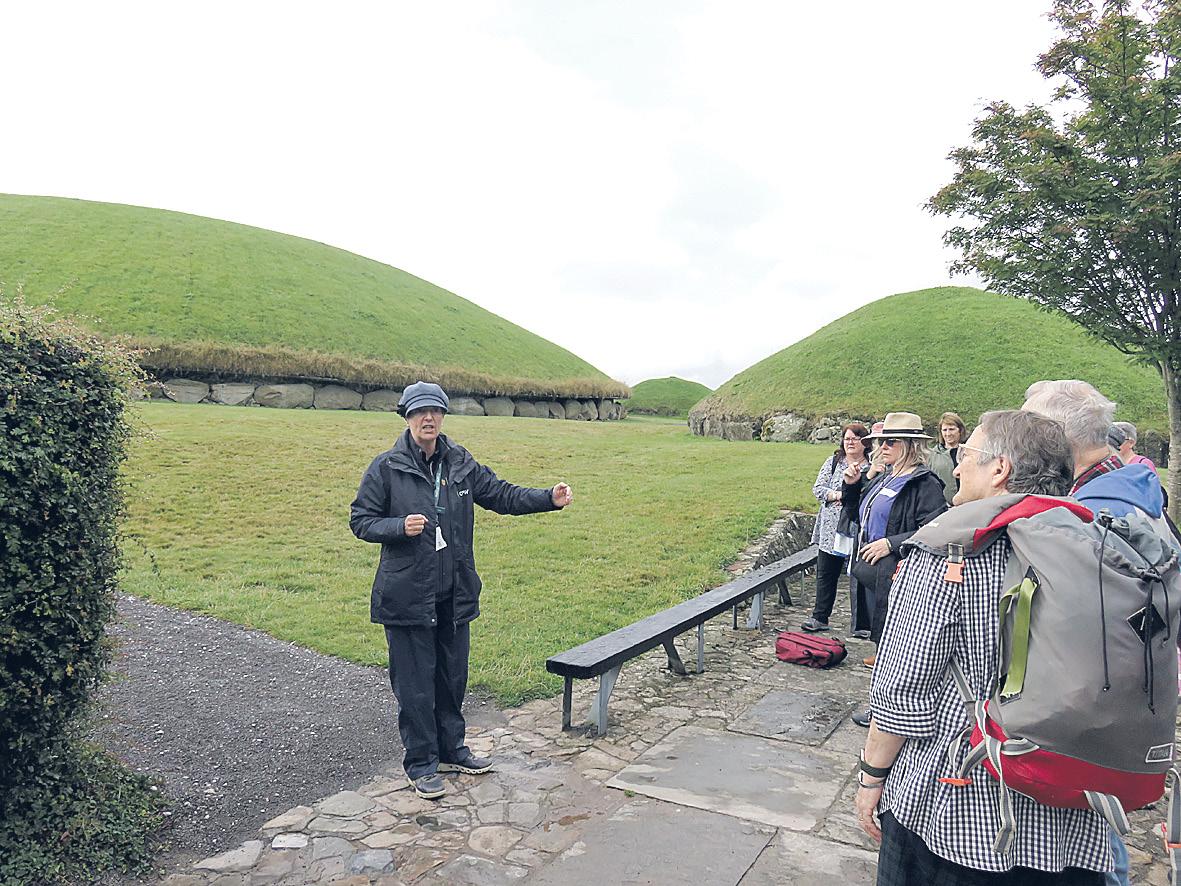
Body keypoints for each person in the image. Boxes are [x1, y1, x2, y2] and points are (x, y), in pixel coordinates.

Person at [854, 410, 1112, 884]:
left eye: (967, 455)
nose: (956, 465)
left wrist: (872, 776)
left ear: (1000, 470)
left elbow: (902, 690)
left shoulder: (953, 552)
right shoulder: (1099, 545)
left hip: (964, 800)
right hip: (1073, 809)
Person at [350, 381, 573, 799]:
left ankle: (452, 750)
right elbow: (361, 520)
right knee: (415, 687)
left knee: (452, 679)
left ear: (443, 415)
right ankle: (421, 763)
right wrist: (398, 527)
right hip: (407, 598)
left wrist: (548, 498)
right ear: (406, 417)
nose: (428, 418)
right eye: (419, 412)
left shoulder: (460, 463)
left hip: (454, 594)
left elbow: (501, 495)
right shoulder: (387, 467)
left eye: (435, 411)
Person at [842, 412, 947, 726]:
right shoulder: (885, 476)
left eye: (890, 442)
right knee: (882, 643)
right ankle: (881, 709)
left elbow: (935, 530)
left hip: (898, 576)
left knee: (894, 646)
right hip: (875, 573)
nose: (882, 447)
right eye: (880, 442)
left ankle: (885, 713)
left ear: (911, 445)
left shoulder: (924, 483)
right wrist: (851, 486)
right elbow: (856, 516)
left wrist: (891, 543)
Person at [1022, 381, 1172, 547]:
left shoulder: (1088, 518)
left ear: (1055, 441)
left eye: (1028, 437)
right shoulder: (1130, 486)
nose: (1021, 449)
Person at [801, 423, 871, 633]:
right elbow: (818, 489)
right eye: (847, 438)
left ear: (864, 442)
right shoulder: (834, 462)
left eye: (855, 439)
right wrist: (839, 494)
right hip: (831, 528)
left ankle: (861, 625)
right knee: (826, 573)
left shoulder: (871, 467)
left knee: (859, 576)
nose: (850, 442)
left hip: (857, 526)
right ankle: (820, 617)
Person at [926, 412, 966, 506]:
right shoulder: (932, 455)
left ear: (960, 430)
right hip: (943, 506)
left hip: (969, 505)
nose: (948, 434)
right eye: (944, 430)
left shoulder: (970, 452)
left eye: (951, 429)